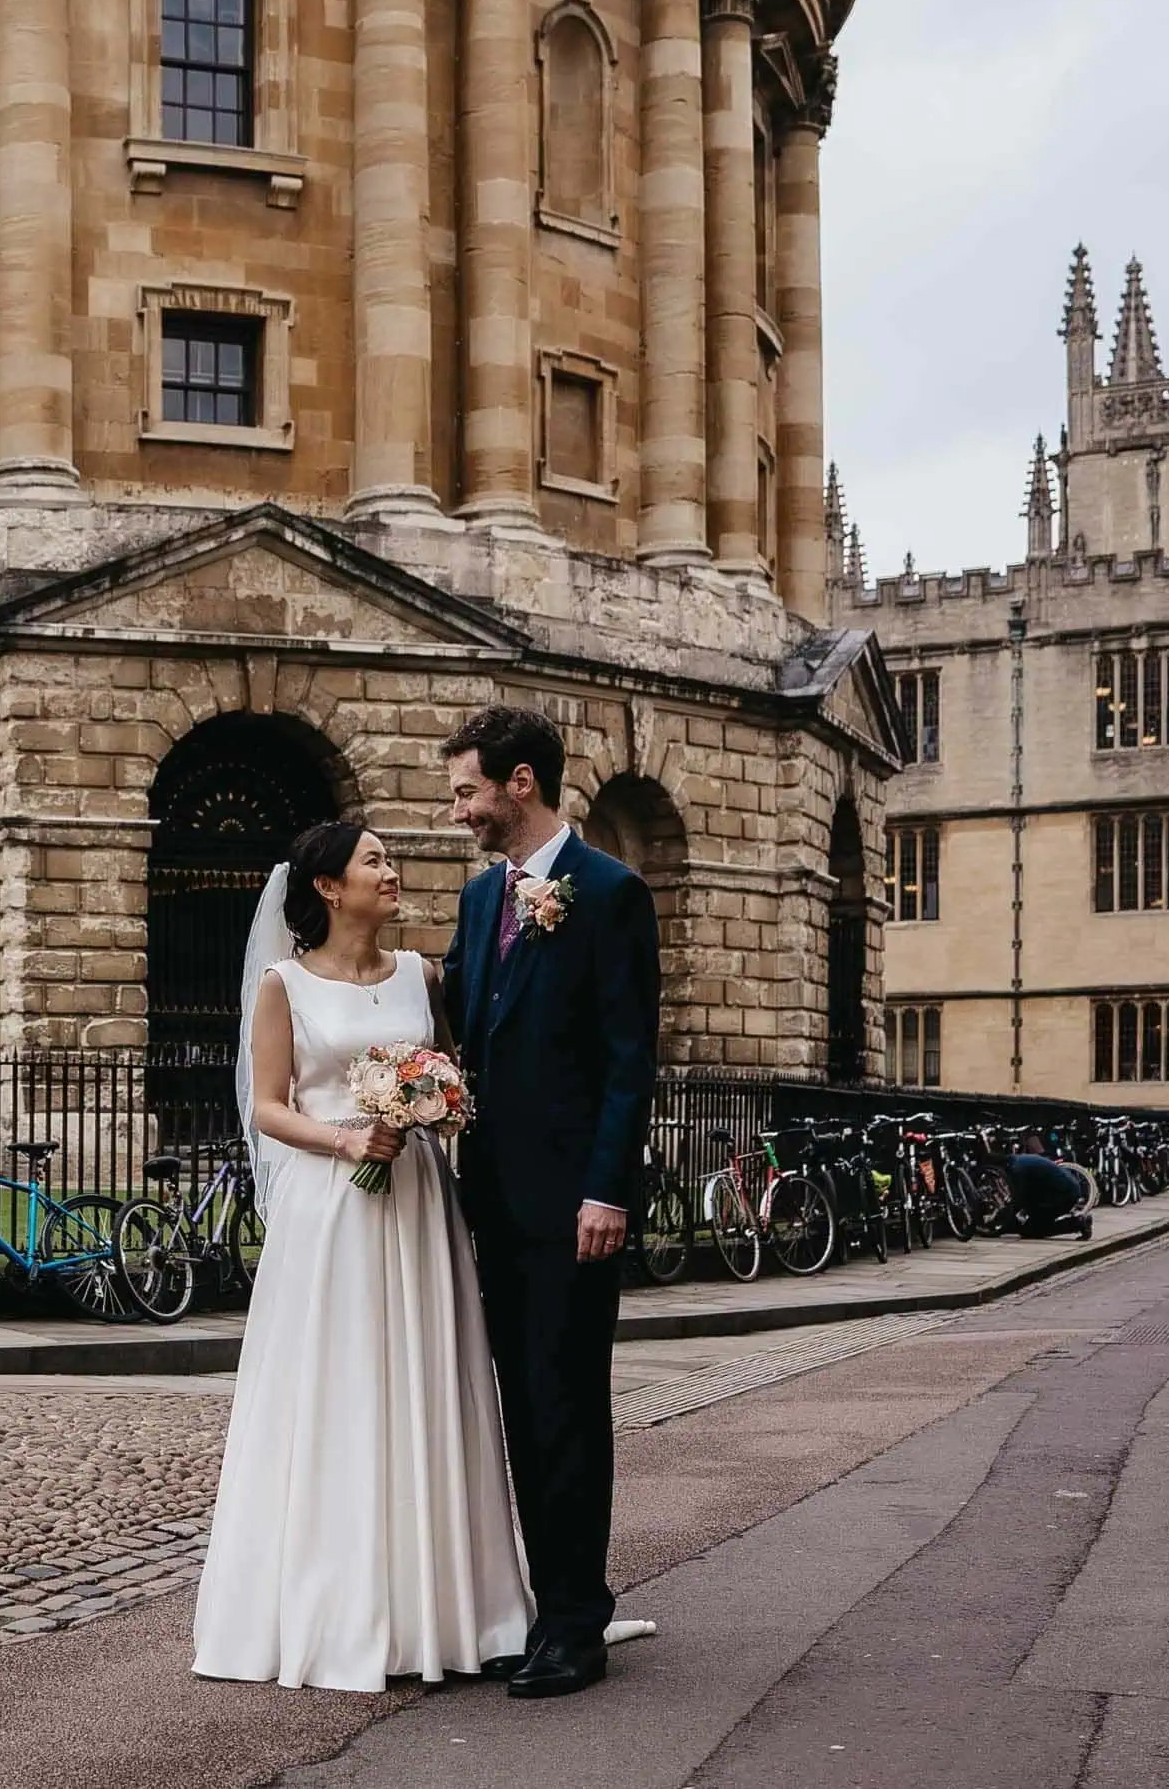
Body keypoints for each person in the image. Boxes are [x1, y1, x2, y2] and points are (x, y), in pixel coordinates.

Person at [192, 814, 532, 1692]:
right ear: (328, 888)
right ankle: (339, 1607)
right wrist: (347, 1141)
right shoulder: (283, 986)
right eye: (374, 861)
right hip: (330, 1209)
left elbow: (456, 1079)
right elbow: (267, 1106)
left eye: (390, 859)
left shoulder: (424, 975)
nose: (392, 871)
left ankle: (447, 1607)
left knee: (426, 1382)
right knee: (336, 1388)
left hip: (417, 1202)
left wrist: (433, 1106)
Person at [442, 705, 660, 1701]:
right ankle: (544, 1605)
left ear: (518, 783)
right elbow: (474, 1037)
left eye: (466, 792)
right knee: (523, 1413)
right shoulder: (481, 901)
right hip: (493, 1202)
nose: (458, 812)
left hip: (575, 1208)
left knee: (568, 1406)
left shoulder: (610, 893)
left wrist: (605, 1189)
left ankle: (579, 1623)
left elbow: (627, 1060)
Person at [1007, 1132, 1091, 1237]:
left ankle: (1077, 1223)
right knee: (1034, 1220)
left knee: (1030, 1230)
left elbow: (1020, 1196)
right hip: (1067, 1189)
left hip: (1063, 1195)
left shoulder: (1017, 1169)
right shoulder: (1021, 1160)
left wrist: (1006, 1215)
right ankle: (1077, 1223)